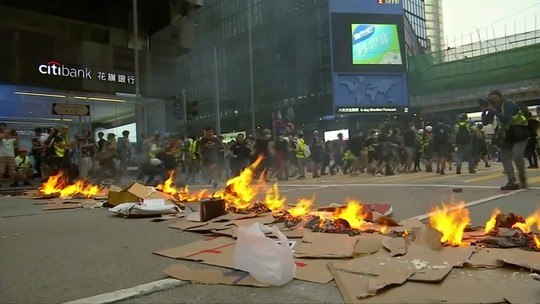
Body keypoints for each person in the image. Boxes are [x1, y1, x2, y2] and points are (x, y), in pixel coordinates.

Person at [481, 90, 529, 190]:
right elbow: (485, 122)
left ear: (501, 97)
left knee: (517, 155)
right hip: (507, 135)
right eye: (491, 99)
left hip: (519, 133)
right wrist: (484, 111)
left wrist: (493, 110)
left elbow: (505, 118)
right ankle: (511, 181)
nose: (493, 100)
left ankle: (522, 177)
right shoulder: (494, 108)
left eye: (495, 98)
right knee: (505, 157)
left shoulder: (509, 104)